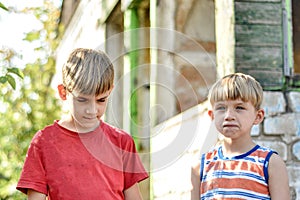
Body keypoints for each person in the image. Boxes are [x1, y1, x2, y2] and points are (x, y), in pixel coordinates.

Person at [17, 48, 149, 200]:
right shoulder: (43, 142)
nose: (92, 110)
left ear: (110, 91)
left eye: (101, 100)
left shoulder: (122, 142)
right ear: (63, 92)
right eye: (82, 100)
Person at [191, 73, 290, 200]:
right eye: (221, 108)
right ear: (212, 115)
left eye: (239, 107)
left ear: (258, 116)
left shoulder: (271, 163)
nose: (229, 116)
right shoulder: (200, 167)